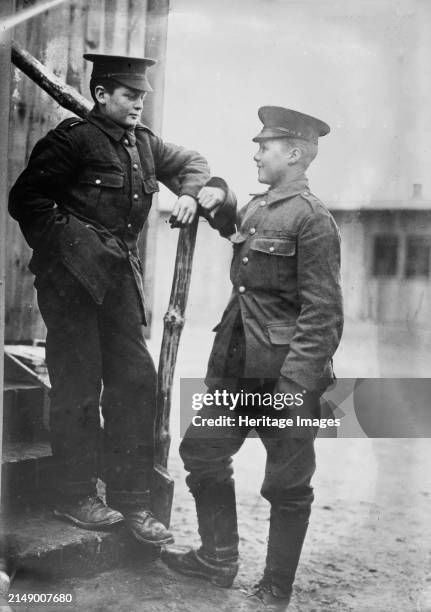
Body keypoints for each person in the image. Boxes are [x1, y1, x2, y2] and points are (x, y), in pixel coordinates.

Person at [8, 54, 212, 546]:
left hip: (120, 286)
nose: (139, 104)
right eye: (128, 95)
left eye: (142, 96)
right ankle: (75, 493)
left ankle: (132, 499)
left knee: (136, 384)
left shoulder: (144, 145)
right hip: (71, 283)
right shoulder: (72, 139)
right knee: (78, 385)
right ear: (101, 95)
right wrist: (78, 247)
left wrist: (189, 193)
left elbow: (194, 163)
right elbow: (26, 201)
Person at [162, 106, 344, 609]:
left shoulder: (312, 219)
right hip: (235, 368)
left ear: (295, 153)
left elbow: (324, 313)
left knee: (287, 484)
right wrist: (216, 188)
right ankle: (218, 560)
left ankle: (276, 587)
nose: (257, 152)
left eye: (265, 146)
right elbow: (228, 218)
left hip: (283, 377)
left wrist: (295, 387)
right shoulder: (260, 209)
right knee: (201, 452)